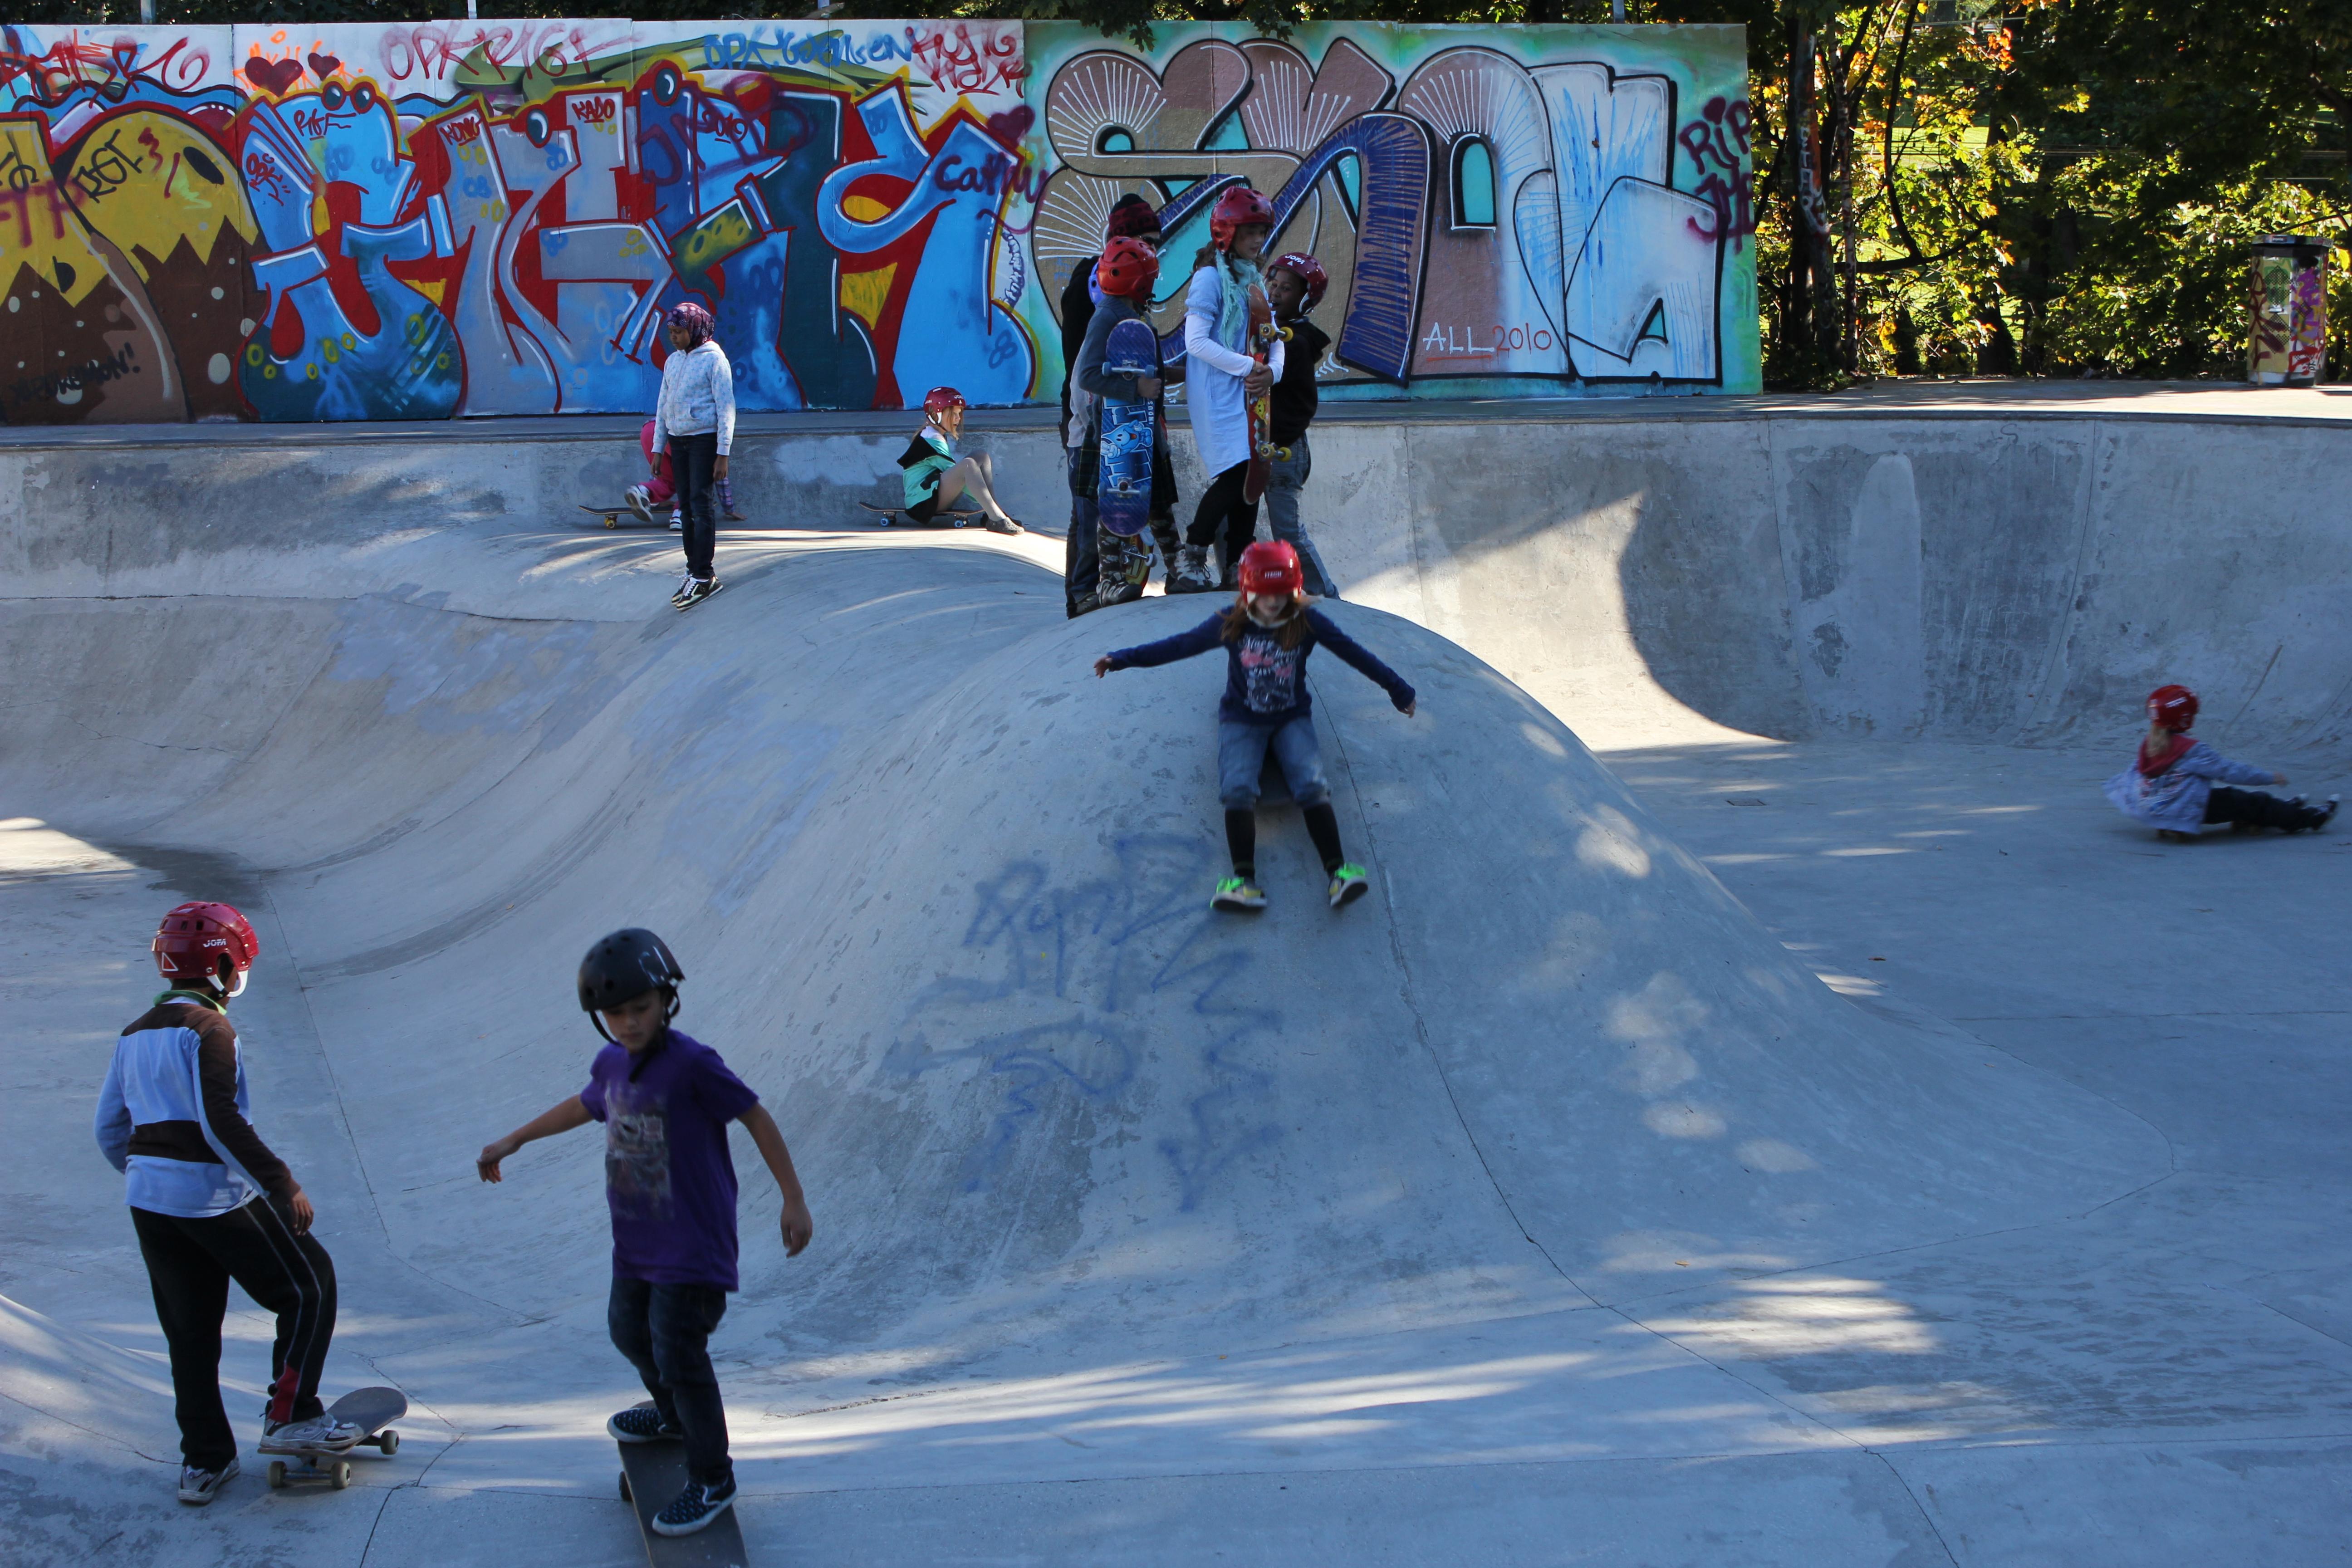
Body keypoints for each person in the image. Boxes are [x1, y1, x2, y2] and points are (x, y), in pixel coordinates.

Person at [477, 930, 813, 1539]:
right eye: (615, 1013)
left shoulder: (693, 1065)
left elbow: (755, 1116)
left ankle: (713, 1475)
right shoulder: (610, 1062)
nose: (629, 1023)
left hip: (693, 1245)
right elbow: (585, 1104)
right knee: (628, 1331)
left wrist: (793, 1197)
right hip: (637, 1242)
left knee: (680, 1352)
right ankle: (670, 1417)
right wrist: (516, 1138)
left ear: (666, 1001)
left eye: (640, 1008)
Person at [95, 901, 356, 1508]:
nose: (243, 973)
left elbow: (109, 1129)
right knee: (309, 1285)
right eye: (240, 962)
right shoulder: (212, 1031)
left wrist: (147, 1179)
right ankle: (292, 1417)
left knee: (190, 1331)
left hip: (151, 1204)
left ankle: (204, 1461)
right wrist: (280, 1182)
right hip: (211, 1198)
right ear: (221, 965)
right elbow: (220, 1123)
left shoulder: (132, 1033)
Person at [1093, 540, 1416, 911]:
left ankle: (1339, 872)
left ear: (1294, 590)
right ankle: (1243, 882)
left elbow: (1355, 654)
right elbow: (1177, 647)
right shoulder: (1232, 622)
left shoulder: (1307, 621)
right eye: (1265, 595)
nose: (1274, 603)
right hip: (1242, 718)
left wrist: (1398, 690)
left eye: (1281, 594)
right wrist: (1120, 659)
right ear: (1248, 591)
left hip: (1290, 717)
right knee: (1237, 788)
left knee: (1311, 785)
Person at [1171, 186, 1284, 594]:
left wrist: (1272, 372)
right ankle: (1191, 558)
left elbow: (1275, 338)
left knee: (1256, 472)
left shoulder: (1253, 279)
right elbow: (1196, 342)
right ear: (1228, 233)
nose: (1258, 240)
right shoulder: (1208, 279)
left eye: (1261, 232)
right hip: (1217, 393)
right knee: (1237, 472)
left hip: (1251, 391)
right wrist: (1250, 368)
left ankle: (1238, 565)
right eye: (1250, 232)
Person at [1062, 194, 1167, 616]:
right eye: (1146, 243)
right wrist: (1132, 390)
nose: (1152, 256)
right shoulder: (1102, 300)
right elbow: (1085, 371)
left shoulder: (1130, 308)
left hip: (1115, 426)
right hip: (1090, 428)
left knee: (1112, 510)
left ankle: (1108, 584)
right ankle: (1083, 594)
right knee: (1089, 514)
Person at [2103, 683, 2338, 841]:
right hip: (2180, 810)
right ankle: (2309, 819)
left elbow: (2134, 774)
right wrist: (2270, 777)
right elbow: (2230, 771)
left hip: (2152, 805)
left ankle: (2270, 811)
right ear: (2184, 718)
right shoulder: (2191, 751)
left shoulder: (2150, 741)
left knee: (2233, 800)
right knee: (2249, 801)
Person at [1263, 252, 1339, 599]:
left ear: (1305, 299)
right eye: (1273, 284)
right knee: (1225, 520)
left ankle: (1326, 596)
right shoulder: (1271, 332)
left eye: (1287, 289)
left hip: (1284, 448)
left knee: (1287, 531)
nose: (1276, 293)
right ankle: (1232, 581)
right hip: (1257, 444)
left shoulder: (1295, 340)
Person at [651, 303, 735, 609]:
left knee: (701, 505)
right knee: (684, 506)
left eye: (679, 332)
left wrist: (722, 453)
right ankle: (692, 569)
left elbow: (727, 409)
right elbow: (663, 407)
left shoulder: (715, 361)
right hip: (679, 440)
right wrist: (659, 448)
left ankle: (705, 574)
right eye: (670, 333)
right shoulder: (673, 362)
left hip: (703, 441)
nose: (673, 338)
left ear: (695, 329)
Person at [899, 387, 1024, 535]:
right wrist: (979, 494)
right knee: (968, 465)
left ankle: (993, 514)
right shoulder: (931, 439)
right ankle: (996, 517)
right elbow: (959, 474)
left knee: (981, 456)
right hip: (921, 504)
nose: (958, 418)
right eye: (953, 414)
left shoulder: (934, 434)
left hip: (932, 494)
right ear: (936, 413)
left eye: (959, 414)